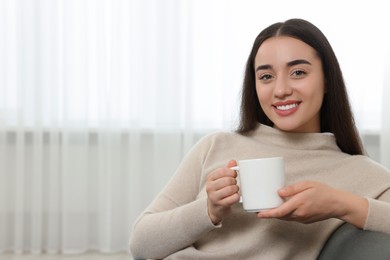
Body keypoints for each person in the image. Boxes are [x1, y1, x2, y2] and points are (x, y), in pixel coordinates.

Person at [129, 18, 390, 259]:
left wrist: (339, 203)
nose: (281, 90)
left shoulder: (363, 174)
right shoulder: (216, 145)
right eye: (266, 76)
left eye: (298, 72)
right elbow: (140, 243)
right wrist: (209, 210)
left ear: (327, 81)